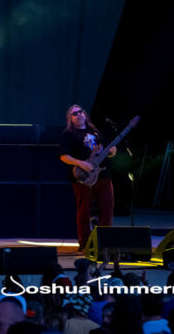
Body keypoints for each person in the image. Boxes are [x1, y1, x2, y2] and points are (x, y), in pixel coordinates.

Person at [58, 105, 116, 251]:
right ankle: (84, 243)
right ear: (70, 119)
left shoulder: (95, 132)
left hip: (102, 174)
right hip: (83, 177)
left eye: (81, 111)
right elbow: (64, 156)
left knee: (107, 208)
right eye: (74, 113)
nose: (79, 114)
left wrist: (112, 152)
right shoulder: (68, 134)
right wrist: (80, 163)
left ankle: (104, 242)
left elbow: (106, 151)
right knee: (84, 210)